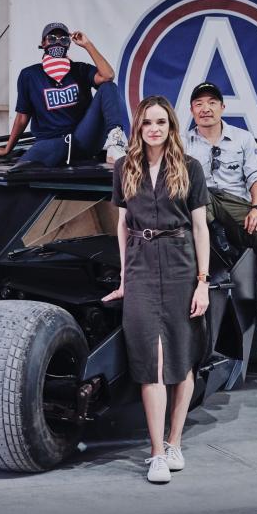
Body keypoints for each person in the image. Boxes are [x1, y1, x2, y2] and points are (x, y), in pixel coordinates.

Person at [101, 96, 210, 484]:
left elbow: (200, 228)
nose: (154, 129)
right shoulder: (124, 168)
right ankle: (156, 452)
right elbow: (121, 226)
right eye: (147, 122)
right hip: (141, 264)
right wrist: (124, 280)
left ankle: (175, 441)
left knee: (181, 360)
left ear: (171, 127)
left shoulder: (190, 168)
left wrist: (203, 283)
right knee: (153, 361)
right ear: (138, 127)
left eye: (161, 122)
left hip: (181, 264)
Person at [182, 82, 257, 334]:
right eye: (199, 104)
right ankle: (217, 235)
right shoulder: (182, 142)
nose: (206, 109)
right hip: (201, 206)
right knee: (199, 188)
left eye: (212, 103)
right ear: (192, 110)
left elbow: (256, 177)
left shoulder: (242, 138)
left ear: (222, 107)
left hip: (236, 204)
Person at [0, 22, 127, 168]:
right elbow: (22, 117)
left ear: (68, 44)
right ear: (43, 43)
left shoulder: (80, 69)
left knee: (108, 86)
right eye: (52, 38)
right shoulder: (29, 75)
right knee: (21, 169)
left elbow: (108, 75)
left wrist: (88, 45)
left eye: (63, 39)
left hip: (83, 139)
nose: (58, 42)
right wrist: (7, 148)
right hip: (50, 142)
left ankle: (115, 144)